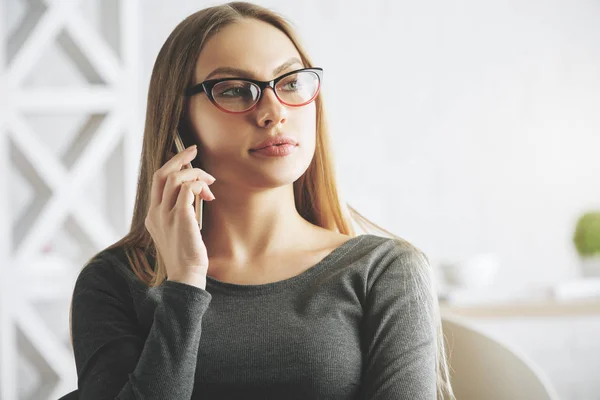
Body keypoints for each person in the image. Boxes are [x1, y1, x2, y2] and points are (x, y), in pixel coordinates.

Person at [69, 2, 454, 399]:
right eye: (235, 90)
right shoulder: (114, 282)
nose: (273, 112)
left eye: (290, 83)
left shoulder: (385, 271)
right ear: (179, 119)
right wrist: (184, 284)